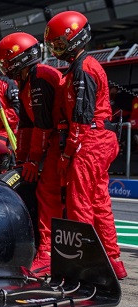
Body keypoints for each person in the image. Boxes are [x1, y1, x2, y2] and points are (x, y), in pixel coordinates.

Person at [45, 10, 127, 279]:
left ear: (75, 38)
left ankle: (84, 265)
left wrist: (68, 152)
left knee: (80, 202)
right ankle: (113, 261)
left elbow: (82, 116)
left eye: (59, 44)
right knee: (99, 201)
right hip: (98, 140)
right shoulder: (81, 67)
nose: (56, 50)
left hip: (89, 141)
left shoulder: (84, 68)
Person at [0, 32, 65, 276]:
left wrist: (34, 161)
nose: (4, 67)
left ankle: (48, 254)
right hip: (52, 140)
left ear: (17, 60)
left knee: (48, 193)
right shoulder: (26, 81)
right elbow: (25, 126)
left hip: (61, 141)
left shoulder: (41, 78)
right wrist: (23, 158)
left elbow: (44, 125)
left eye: (6, 62)